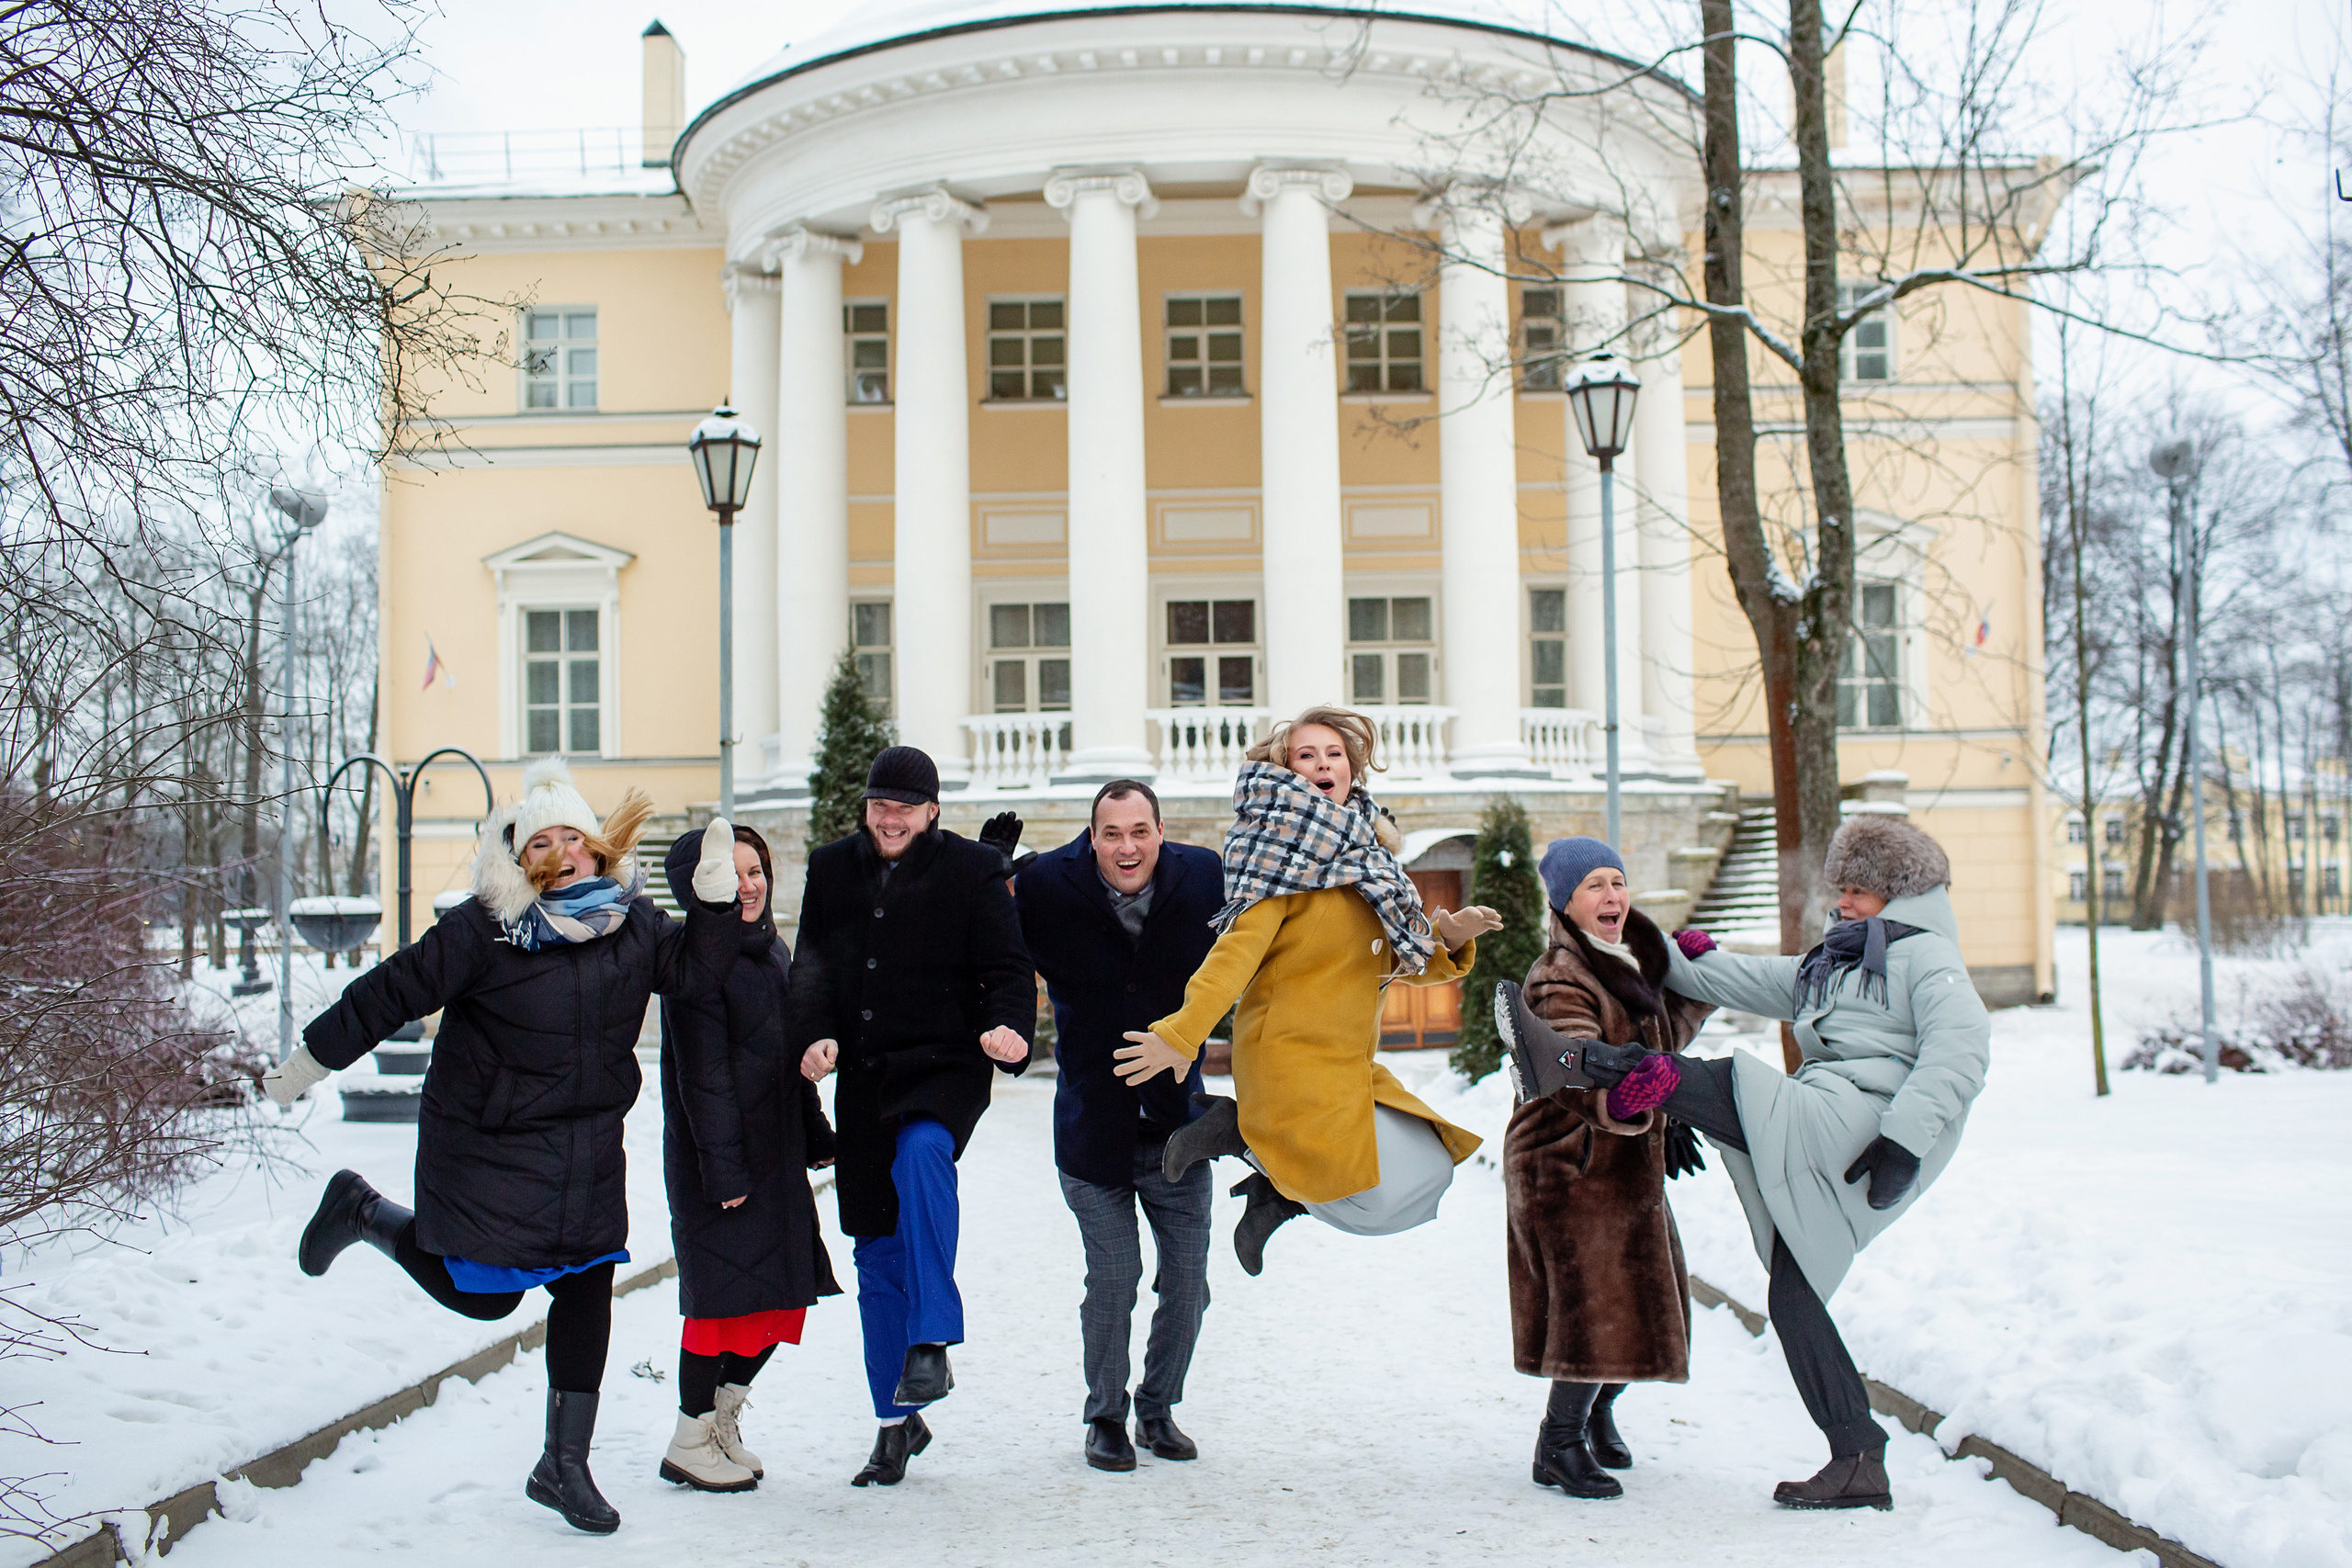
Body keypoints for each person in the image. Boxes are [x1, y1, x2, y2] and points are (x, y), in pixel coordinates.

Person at [261, 759, 741, 1535]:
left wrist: (715, 906)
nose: (560, 853)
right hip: (488, 1141)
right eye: (539, 843)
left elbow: (695, 972)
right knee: (484, 1295)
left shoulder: (632, 923)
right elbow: (392, 990)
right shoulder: (484, 928)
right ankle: (361, 1210)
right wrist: (313, 1059)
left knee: (586, 1283)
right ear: (519, 859)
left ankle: (563, 1464)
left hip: (585, 1147)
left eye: (571, 837)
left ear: (595, 845)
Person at [1513, 813, 1989, 1511]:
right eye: (1841, 888)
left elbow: (1962, 1053)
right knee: (1793, 1299)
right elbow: (1753, 979)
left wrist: (1904, 1142)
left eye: (1858, 891)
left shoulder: (1929, 959)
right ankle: (1858, 1456)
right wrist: (1689, 957)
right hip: (1832, 1122)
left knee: (1736, 1082)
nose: (1842, 901)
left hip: (1872, 1127)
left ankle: (1579, 1061)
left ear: (1901, 894)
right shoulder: (1838, 960)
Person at [1118, 706, 1502, 1274]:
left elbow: (1404, 960)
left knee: (1427, 1170)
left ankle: (1274, 1187)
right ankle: (1250, 1144)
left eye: (1334, 754)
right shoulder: (1277, 858)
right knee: (1374, 1196)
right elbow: (1232, 957)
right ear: (1287, 771)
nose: (1324, 764)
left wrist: (1448, 937)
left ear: (1351, 768)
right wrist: (1182, 1034)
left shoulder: (1371, 862)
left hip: (1348, 1062)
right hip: (1289, 1062)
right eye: (1307, 755)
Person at [790, 746, 1035, 1487]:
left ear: (932, 810)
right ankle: (895, 1423)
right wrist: (814, 1033)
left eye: (905, 807)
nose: (890, 818)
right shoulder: (833, 867)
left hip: (944, 1067)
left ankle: (931, 1337)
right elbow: (811, 966)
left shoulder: (973, 869)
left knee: (924, 1152)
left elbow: (1007, 968)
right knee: (875, 1252)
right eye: (879, 805)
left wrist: (1008, 1027)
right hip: (865, 1076)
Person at [1014, 780, 1225, 1473]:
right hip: (1091, 1124)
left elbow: (1255, 955)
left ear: (1160, 831)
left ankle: (1157, 1407)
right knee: (1113, 1275)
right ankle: (1105, 1416)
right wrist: (987, 878)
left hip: (1176, 1128)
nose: (1127, 847)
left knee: (1188, 1282)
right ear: (1092, 837)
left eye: (1140, 831)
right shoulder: (1046, 883)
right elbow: (990, 952)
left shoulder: (1205, 876)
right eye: (1112, 834)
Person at [1504, 837, 1714, 1501]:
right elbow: (1568, 1062)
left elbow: (1660, 1042)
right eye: (1594, 884)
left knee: (1646, 1306)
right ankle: (1558, 1442)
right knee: (1593, 1310)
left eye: (1617, 881)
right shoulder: (1558, 974)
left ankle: (1597, 1413)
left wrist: (1695, 989)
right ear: (1565, 903)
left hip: (1625, 1158)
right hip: (1566, 1160)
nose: (1612, 895)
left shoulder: (1627, 963)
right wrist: (1617, 1099)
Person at [654, 825, 842, 1494]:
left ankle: (720, 1420)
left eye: (755, 869)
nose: (748, 885)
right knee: (721, 1308)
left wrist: (817, 1135)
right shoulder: (695, 964)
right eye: (731, 874)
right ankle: (689, 1436)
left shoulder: (770, 950)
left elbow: (789, 1062)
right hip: (722, 1167)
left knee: (779, 1301)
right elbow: (701, 1078)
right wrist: (724, 1173)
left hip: (774, 1156)